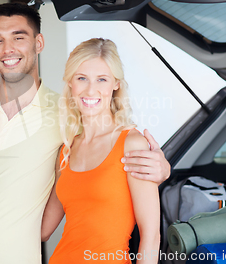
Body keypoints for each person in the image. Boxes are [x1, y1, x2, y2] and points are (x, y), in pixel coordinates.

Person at [0, 3, 170, 264]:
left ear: (39, 43)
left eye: (18, 38)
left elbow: (109, 139)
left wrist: (162, 169)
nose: (8, 49)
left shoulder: (68, 117)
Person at [41, 38, 160, 263]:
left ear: (115, 84)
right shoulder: (67, 150)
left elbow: (151, 237)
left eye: (102, 79)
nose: (91, 89)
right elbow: (44, 230)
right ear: (70, 83)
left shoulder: (132, 144)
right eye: (82, 78)